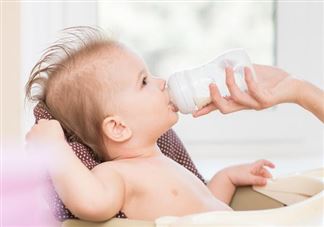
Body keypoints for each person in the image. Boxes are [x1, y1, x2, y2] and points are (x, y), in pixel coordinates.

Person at [25, 27, 275, 222]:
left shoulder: (169, 162)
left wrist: (227, 178)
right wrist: (56, 148)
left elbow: (207, 210)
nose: (161, 82)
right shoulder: (117, 174)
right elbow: (91, 203)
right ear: (118, 127)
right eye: (144, 81)